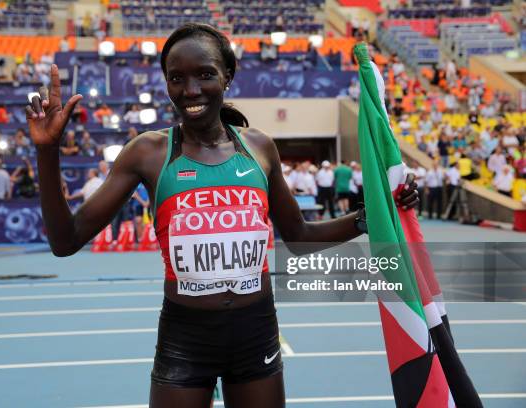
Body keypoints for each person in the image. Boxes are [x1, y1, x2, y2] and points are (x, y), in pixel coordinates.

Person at [26, 24, 418, 408]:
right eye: (176, 78)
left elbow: (298, 236)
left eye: (205, 74)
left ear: (227, 76)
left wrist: (374, 215)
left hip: (256, 332)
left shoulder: (260, 149)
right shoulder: (147, 152)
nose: (191, 90)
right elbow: (65, 241)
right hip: (185, 337)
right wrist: (47, 151)